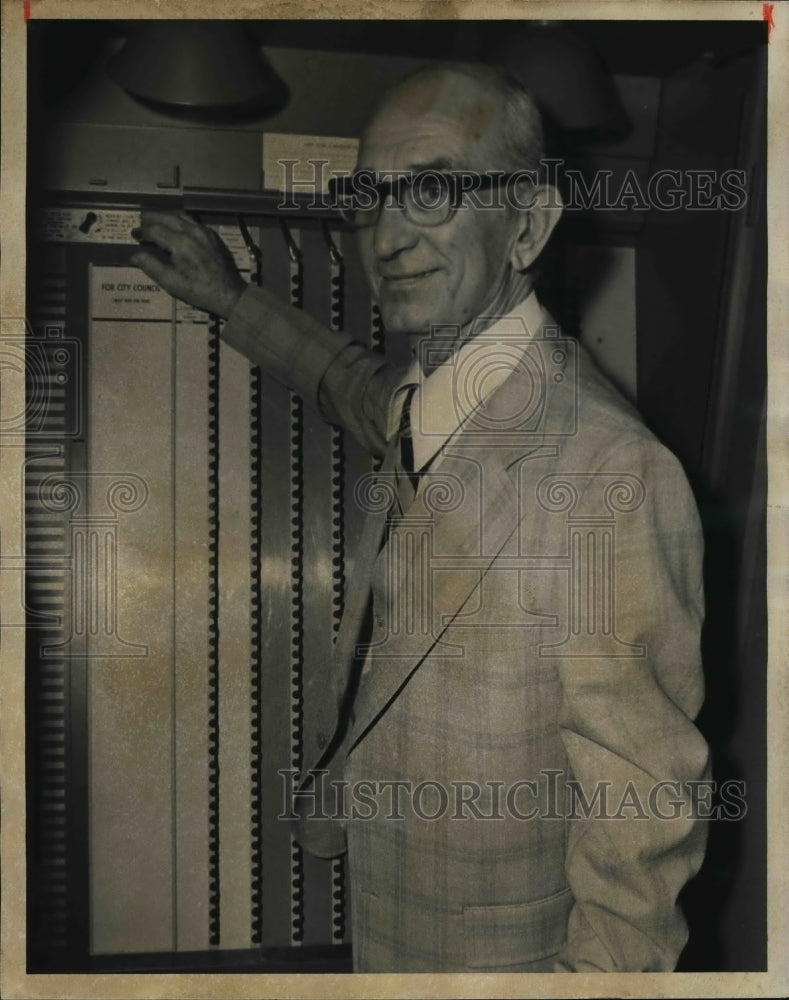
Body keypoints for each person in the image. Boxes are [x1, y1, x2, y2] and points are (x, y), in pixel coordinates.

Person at [131, 62, 709, 973]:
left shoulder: (613, 472)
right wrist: (226, 298)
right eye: (372, 196)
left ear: (528, 223)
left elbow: (643, 818)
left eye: (432, 190)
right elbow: (349, 385)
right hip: (392, 905)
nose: (388, 235)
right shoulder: (428, 392)